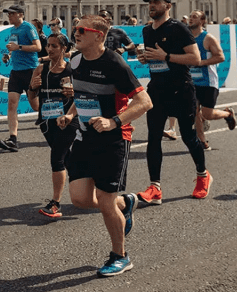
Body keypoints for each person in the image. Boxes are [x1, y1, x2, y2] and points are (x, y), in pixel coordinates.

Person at [62, 14, 152, 277]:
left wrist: (114, 121)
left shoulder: (115, 63)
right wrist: (70, 114)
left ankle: (120, 256)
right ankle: (125, 204)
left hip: (113, 139)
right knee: (79, 199)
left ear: (98, 36)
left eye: (81, 30)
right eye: (75, 29)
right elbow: (83, 95)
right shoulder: (76, 60)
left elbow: (145, 103)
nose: (75, 33)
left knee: (104, 201)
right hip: (83, 137)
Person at [135, 0, 211, 205]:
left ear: (168, 6)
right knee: (153, 137)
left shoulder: (178, 28)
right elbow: (155, 59)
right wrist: (146, 59)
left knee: (189, 137)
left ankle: (203, 175)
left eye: (156, 2)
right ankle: (155, 188)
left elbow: (195, 58)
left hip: (181, 89)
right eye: (149, 2)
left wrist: (165, 56)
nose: (151, 6)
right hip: (157, 88)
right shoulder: (147, 30)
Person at [27, 32, 77, 218]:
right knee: (67, 158)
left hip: (67, 121)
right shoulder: (41, 69)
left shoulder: (72, 71)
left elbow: (82, 98)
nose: (50, 49)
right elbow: (32, 100)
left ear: (64, 49)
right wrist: (32, 87)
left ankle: (55, 203)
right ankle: (86, 188)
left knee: (57, 158)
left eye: (54, 46)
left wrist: (74, 93)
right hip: (47, 122)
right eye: (48, 45)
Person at [187, 11, 236, 149]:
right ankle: (202, 141)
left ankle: (228, 113)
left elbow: (220, 57)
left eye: (194, 17)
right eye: (190, 17)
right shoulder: (187, 38)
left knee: (207, 114)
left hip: (208, 82)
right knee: (194, 110)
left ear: (202, 21)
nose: (191, 19)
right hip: (192, 81)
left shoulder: (208, 38)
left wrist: (201, 62)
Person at [0, 5, 41, 153]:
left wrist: (19, 47)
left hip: (30, 71)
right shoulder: (12, 30)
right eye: (8, 14)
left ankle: (60, 117)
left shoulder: (28, 27)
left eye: (12, 14)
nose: (9, 16)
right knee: (11, 104)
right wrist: (8, 55)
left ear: (21, 14)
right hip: (15, 71)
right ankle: (13, 139)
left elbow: (38, 47)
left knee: (36, 106)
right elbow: (13, 48)